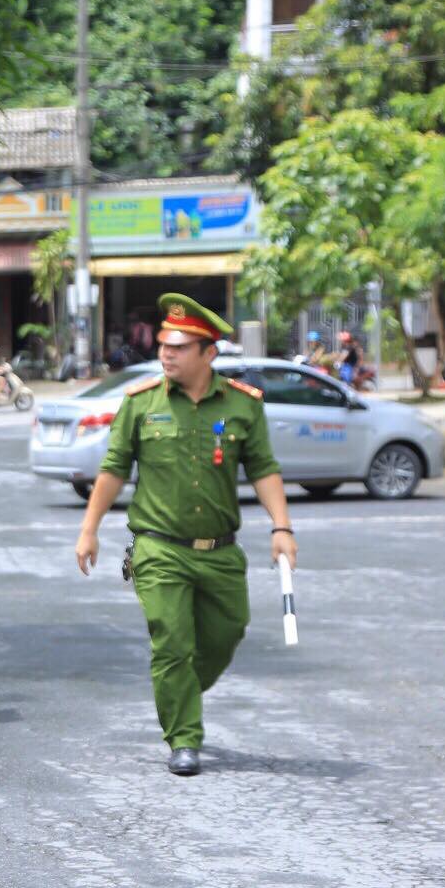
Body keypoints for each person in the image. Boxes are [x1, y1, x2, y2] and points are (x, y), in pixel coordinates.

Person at [73, 293, 297, 777]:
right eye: (163, 345)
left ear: (209, 353)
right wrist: (89, 530)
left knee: (226, 633)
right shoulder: (140, 404)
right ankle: (184, 737)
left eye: (179, 347)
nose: (167, 354)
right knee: (172, 643)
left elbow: (263, 469)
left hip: (220, 550)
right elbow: (112, 469)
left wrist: (282, 527)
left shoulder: (243, 405)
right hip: (159, 548)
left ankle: (179, 692)